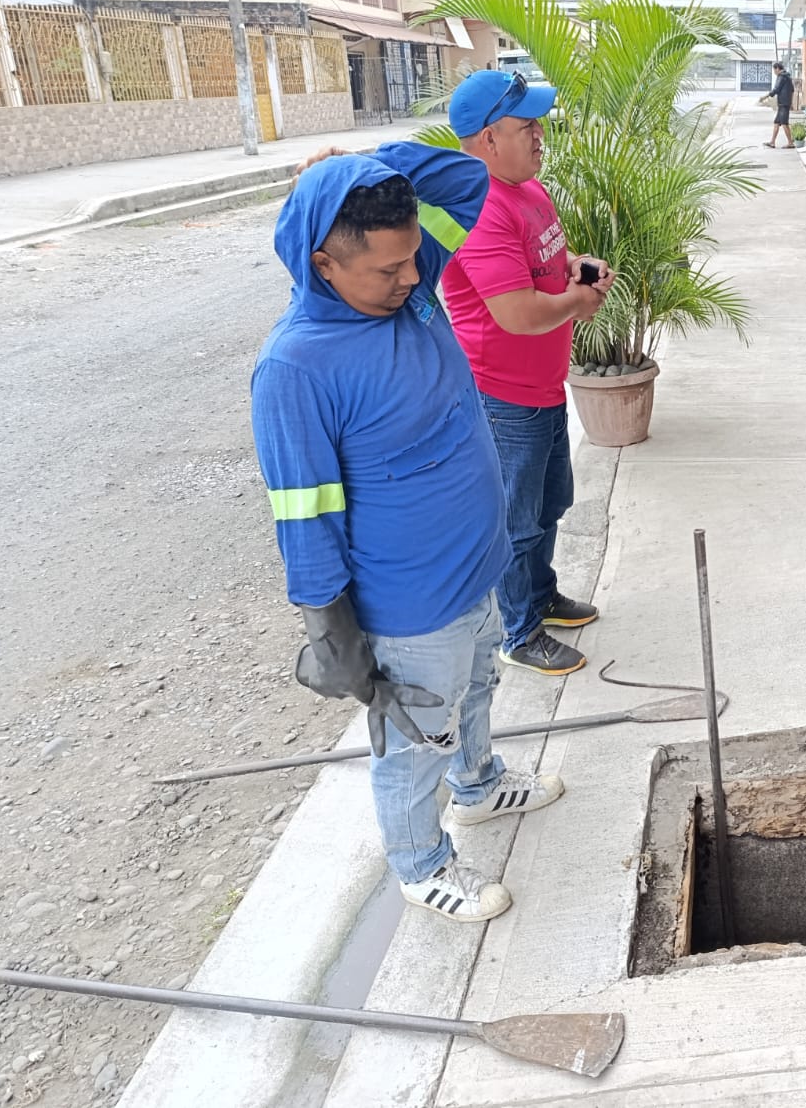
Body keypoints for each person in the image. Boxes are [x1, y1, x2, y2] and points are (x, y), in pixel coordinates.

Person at [251, 141, 566, 925]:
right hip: (411, 601)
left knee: (477, 689)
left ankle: (480, 785)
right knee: (418, 737)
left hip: (478, 563)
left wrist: (363, 167)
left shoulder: (409, 284)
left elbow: (465, 181)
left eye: (411, 257)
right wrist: (332, 633)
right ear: (323, 262)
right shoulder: (297, 367)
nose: (412, 276)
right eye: (386, 269)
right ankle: (421, 863)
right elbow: (304, 515)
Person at [440, 70, 614, 677]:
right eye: (526, 127)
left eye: (539, 124)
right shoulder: (481, 206)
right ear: (488, 139)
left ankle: (541, 595)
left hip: (542, 384)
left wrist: (579, 265)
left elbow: (548, 257)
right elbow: (515, 312)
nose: (540, 136)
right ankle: (518, 631)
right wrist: (578, 302)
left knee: (550, 502)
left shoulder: (527, 190)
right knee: (516, 520)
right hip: (504, 395)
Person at [763, 61, 795, 149]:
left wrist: (767, 95)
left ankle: (790, 143)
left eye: (774, 70)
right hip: (784, 103)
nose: (774, 72)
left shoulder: (781, 77)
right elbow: (792, 90)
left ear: (777, 68)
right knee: (776, 122)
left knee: (784, 123)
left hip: (783, 104)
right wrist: (791, 102)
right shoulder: (788, 77)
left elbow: (776, 89)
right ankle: (772, 142)